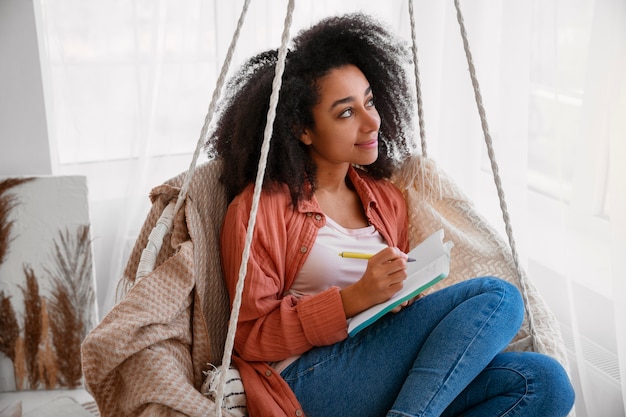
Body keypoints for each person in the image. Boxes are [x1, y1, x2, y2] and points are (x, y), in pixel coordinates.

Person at [208, 13, 575, 417]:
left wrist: (397, 297)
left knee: (544, 382)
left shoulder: (385, 199)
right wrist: (350, 299)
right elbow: (249, 336)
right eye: (346, 113)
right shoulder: (261, 208)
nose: (372, 122)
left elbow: (390, 317)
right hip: (305, 380)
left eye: (369, 101)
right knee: (498, 297)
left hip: (378, 368)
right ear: (302, 128)